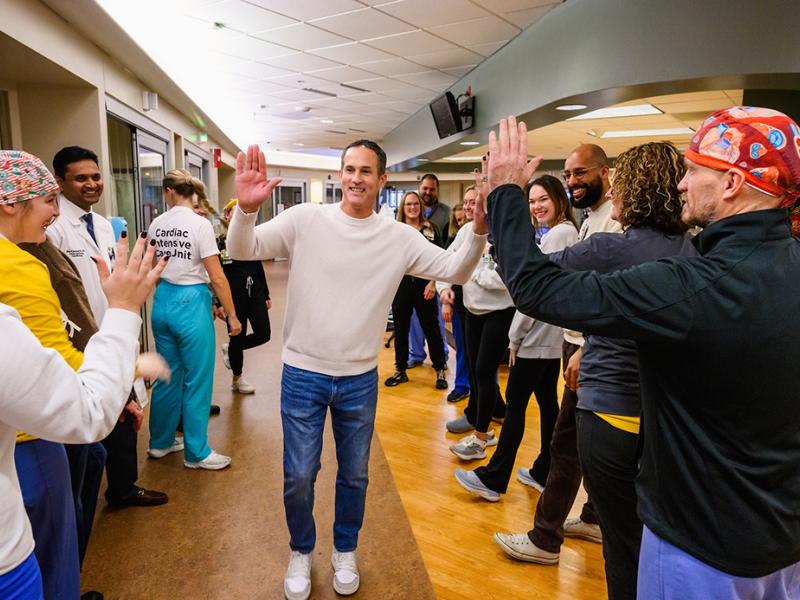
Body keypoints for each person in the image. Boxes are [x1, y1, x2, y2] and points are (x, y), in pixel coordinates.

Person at [486, 110, 800, 600]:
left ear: (733, 182)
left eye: (694, 171)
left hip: (700, 546)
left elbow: (533, 287)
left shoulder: (696, 286)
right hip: (782, 543)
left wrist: (505, 191)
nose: (681, 186)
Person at [226, 140, 487, 600]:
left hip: (359, 378)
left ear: (382, 180)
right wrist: (245, 210)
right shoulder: (308, 219)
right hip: (303, 373)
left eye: (366, 171)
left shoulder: (399, 237)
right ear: (339, 175)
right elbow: (243, 248)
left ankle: (345, 548)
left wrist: (480, 230)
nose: (356, 178)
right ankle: (301, 550)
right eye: (349, 169)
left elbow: (456, 270)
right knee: (300, 474)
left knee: (355, 474)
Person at [0, 149, 167, 599]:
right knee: (54, 546)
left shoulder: (38, 248)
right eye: (48, 200)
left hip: (25, 424)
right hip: (32, 439)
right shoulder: (17, 265)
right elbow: (72, 389)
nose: (55, 213)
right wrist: (127, 327)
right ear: (11, 203)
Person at [47, 146, 168, 511]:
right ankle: (81, 502)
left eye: (96, 176)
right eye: (81, 178)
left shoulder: (102, 224)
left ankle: (123, 488)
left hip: (112, 328)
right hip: (79, 337)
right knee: (93, 420)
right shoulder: (53, 230)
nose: (91, 184)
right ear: (60, 182)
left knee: (122, 412)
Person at [455, 174, 578, 498]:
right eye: (532, 201)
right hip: (547, 338)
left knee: (515, 408)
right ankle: (543, 469)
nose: (536, 206)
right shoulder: (555, 233)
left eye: (543, 200)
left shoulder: (558, 236)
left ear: (559, 201)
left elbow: (531, 293)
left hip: (536, 338)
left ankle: (495, 479)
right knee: (548, 405)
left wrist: (515, 337)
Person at [147, 169, 241, 471]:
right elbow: (217, 275)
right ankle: (196, 452)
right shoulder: (200, 225)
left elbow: (151, 267)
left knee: (167, 375)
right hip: (191, 303)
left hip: (161, 302)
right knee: (197, 379)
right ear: (190, 193)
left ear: (169, 192)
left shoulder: (157, 223)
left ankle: (160, 443)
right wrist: (232, 315)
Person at [384, 191, 448, 390]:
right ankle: (400, 369)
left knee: (432, 328)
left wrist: (432, 283)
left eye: (416, 204)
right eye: (408, 204)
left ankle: (439, 368)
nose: (412, 208)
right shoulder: (395, 230)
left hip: (424, 285)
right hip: (401, 285)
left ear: (421, 207)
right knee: (401, 329)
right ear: (403, 207)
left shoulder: (431, 229)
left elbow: (439, 259)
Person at [218, 199, 271, 395]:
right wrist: (219, 302)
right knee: (237, 335)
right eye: (235, 211)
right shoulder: (221, 243)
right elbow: (219, 274)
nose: (239, 214)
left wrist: (265, 293)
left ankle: (231, 349)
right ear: (227, 215)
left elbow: (258, 266)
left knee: (263, 334)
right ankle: (237, 379)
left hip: (255, 292)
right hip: (233, 296)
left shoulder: (252, 237)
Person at [441, 191, 475, 403]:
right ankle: (463, 386)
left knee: (483, 358)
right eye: (466, 203)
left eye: (474, 202)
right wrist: (445, 291)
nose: (469, 207)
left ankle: (490, 398)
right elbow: (448, 261)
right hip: (462, 300)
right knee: (463, 347)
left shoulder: (497, 229)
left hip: (490, 307)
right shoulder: (464, 231)